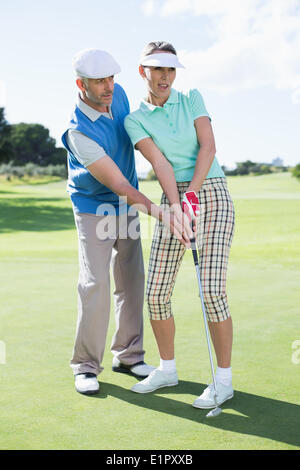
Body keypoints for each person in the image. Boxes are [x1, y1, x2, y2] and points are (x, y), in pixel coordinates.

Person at [61, 48, 192, 395]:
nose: (108, 87)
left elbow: (136, 137)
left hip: (125, 205)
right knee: (95, 284)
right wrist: (163, 213)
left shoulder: (116, 95)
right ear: (81, 84)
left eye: (110, 79)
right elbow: (117, 184)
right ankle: (86, 366)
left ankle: (129, 356)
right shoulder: (78, 133)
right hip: (93, 207)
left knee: (132, 279)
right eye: (99, 81)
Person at [124, 41, 235, 409]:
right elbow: (161, 163)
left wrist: (194, 195)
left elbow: (208, 147)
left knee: (211, 291)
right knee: (156, 293)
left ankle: (223, 381)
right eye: (157, 70)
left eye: (170, 70)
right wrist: (175, 205)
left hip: (212, 192)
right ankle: (167, 369)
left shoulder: (192, 99)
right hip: (174, 199)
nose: (165, 77)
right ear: (144, 72)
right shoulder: (135, 119)